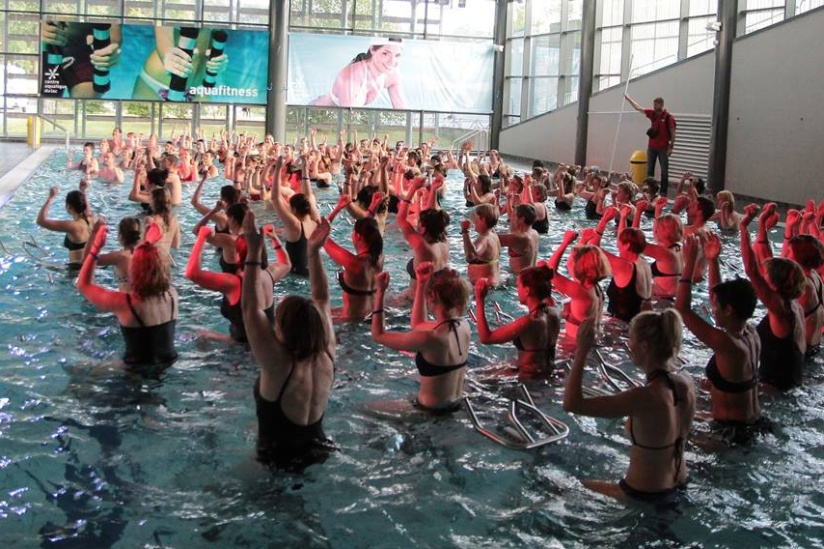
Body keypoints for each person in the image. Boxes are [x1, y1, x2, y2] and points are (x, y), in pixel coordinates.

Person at [564, 313, 695, 502]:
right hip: (680, 485)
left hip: (644, 495)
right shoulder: (686, 383)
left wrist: (582, 351)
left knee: (560, 487)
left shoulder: (645, 397)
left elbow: (572, 404)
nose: (628, 345)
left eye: (631, 339)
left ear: (644, 346)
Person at [241, 214, 336, 468]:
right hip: (319, 452)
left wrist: (253, 252)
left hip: (277, 462)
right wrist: (313, 252)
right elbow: (323, 299)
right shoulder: (327, 354)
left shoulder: (278, 364)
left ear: (285, 328)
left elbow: (250, 309)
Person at [676, 233, 766, 444]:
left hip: (731, 435)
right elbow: (718, 298)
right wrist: (712, 260)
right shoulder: (750, 333)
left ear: (729, 309)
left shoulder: (728, 345)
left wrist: (690, 261)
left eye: (716, 307)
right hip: (753, 423)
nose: (712, 309)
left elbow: (681, 309)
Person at [76, 222, 178, 368]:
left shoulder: (127, 303)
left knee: (80, 370)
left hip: (135, 371)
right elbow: (150, 263)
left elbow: (83, 284)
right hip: (169, 363)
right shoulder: (172, 294)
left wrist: (95, 248)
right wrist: (148, 242)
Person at [371, 263, 470, 413]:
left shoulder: (430, 338)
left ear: (433, 296)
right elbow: (418, 324)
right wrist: (422, 282)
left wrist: (380, 293)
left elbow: (378, 335)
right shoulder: (463, 326)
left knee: (364, 410)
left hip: (428, 411)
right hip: (455, 405)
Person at [186, 215, 290, 344]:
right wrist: (274, 238)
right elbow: (286, 263)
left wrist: (201, 238)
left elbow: (192, 273)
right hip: (269, 343)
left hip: (242, 349)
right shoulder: (270, 273)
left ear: (239, 256)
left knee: (197, 335)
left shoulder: (234, 283)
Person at [740, 205, 806, 391]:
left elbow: (751, 270)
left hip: (774, 390)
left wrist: (744, 227)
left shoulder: (780, 310)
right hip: (791, 385)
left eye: (766, 276)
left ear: (774, 284)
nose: (763, 276)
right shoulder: (793, 305)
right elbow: (759, 268)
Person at [474, 266, 561, 376]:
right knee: (491, 369)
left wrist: (479, 299)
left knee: (477, 377)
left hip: (528, 377)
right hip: (547, 369)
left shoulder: (527, 322)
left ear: (527, 290)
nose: (517, 289)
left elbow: (485, 338)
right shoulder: (555, 312)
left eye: (518, 285)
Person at [133, 27, 228, 101]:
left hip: (201, 88)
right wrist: (166, 54)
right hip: (157, 82)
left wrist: (218, 61)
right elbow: (162, 21)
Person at [545, 232, 610, 339]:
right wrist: (583, 240)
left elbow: (549, 271)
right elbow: (570, 265)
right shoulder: (594, 287)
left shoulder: (580, 291)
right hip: (593, 336)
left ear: (582, 267)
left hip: (574, 343)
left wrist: (565, 243)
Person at [312, 37, 406, 109]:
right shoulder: (354, 74)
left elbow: (402, 110)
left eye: (397, 55)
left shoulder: (393, 74)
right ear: (373, 49)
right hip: (316, 111)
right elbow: (347, 117)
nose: (392, 61)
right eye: (385, 54)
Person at [323, 216, 384, 321]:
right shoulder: (380, 258)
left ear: (357, 236)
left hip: (351, 325)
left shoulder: (354, 264)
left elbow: (322, 239)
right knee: (322, 310)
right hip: (371, 317)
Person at [41, 22, 122, 98]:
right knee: (44, 99)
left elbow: (113, 26)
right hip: (47, 44)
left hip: (84, 48)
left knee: (86, 100)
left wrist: (109, 49)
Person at [624, 94, 676, 196]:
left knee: (664, 171)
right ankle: (649, 190)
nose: (654, 107)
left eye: (656, 105)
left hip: (663, 148)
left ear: (661, 105)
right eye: (654, 104)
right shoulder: (653, 114)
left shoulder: (668, 118)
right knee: (649, 170)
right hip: (652, 147)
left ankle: (663, 192)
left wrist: (671, 147)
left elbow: (673, 133)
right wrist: (628, 98)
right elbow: (638, 108)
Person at [36, 187, 96, 268]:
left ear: (69, 207)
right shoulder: (93, 220)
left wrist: (50, 197)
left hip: (76, 270)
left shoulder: (73, 226)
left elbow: (41, 221)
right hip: (92, 266)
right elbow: (87, 210)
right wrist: (83, 191)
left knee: (40, 265)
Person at [83, 217, 141, 291]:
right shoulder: (146, 254)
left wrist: (94, 232)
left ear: (121, 236)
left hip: (125, 301)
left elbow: (88, 259)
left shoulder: (120, 257)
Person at [460, 204, 501, 286]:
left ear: (483, 219)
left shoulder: (484, 239)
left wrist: (465, 231)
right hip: (493, 284)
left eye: (475, 218)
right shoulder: (493, 235)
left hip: (484, 288)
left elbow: (470, 256)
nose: (473, 221)